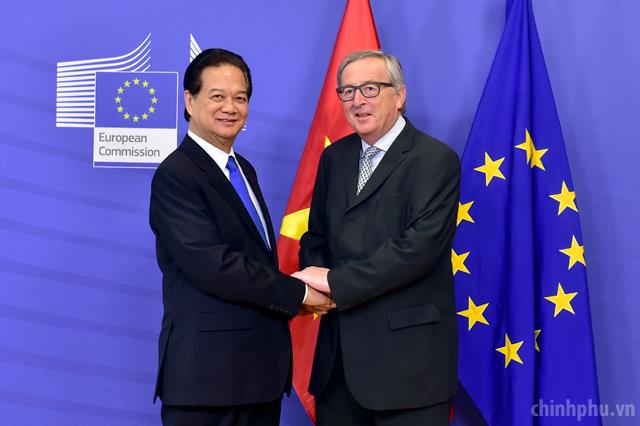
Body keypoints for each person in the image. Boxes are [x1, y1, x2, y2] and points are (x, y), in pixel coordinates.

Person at [149, 48, 333, 426]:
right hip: (208, 383)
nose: (230, 108)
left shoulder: (243, 169)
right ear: (189, 100)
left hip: (257, 378)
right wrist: (297, 293)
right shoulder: (176, 174)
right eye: (217, 96)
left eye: (240, 98)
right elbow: (214, 266)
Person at [295, 50, 461, 426]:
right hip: (338, 368)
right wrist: (317, 281)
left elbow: (418, 250)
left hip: (407, 372)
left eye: (370, 88)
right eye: (348, 91)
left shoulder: (435, 160)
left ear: (399, 95)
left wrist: (336, 282)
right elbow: (315, 235)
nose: (358, 100)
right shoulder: (334, 158)